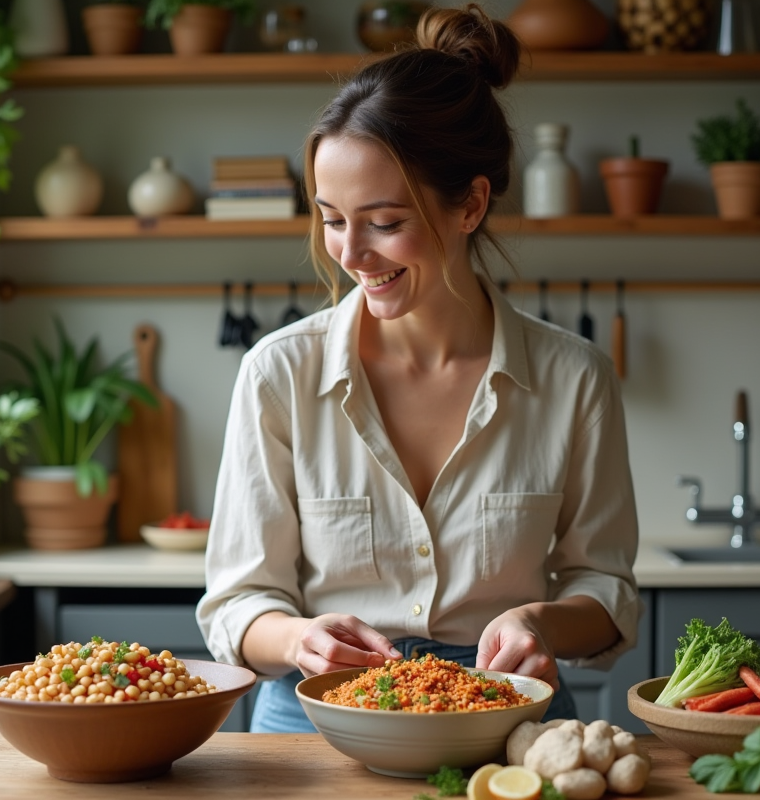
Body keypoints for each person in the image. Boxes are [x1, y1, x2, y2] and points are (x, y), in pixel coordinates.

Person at [196, 3, 640, 733]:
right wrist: (299, 639)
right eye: (332, 218)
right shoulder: (278, 373)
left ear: (470, 204)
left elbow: (606, 589)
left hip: (504, 718)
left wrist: (541, 623)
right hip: (319, 718)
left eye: (385, 222)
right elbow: (238, 602)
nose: (349, 253)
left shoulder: (575, 379)